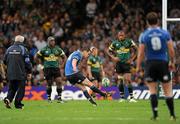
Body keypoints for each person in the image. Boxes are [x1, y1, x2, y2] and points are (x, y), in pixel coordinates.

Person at [136, 12, 176, 120]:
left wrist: (138, 67)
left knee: (152, 90)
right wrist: (172, 62)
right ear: (157, 21)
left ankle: (155, 115)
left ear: (147, 22)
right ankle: (172, 115)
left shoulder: (144, 35)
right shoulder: (164, 33)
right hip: (163, 62)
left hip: (150, 63)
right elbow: (171, 50)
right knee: (168, 91)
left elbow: (140, 53)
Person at [106, 31, 137, 102]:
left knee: (128, 79)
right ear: (118, 36)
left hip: (126, 63)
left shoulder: (129, 41)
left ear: (124, 35)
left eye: (122, 35)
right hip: (119, 64)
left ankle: (131, 97)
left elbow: (136, 49)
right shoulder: (115, 43)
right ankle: (122, 97)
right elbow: (108, 50)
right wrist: (113, 57)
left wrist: (132, 59)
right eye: (119, 35)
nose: (121, 37)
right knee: (120, 80)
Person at [35, 36, 67, 103]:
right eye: (51, 41)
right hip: (47, 68)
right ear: (48, 42)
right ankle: (49, 98)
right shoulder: (44, 49)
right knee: (49, 83)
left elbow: (64, 57)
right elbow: (36, 56)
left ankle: (59, 98)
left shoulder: (57, 49)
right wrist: (39, 64)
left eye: (53, 40)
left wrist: (62, 65)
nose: (53, 42)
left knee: (59, 81)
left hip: (56, 68)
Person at [3, 35, 32, 109]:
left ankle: (8, 99)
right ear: (22, 41)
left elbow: (4, 61)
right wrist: (29, 71)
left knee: (12, 88)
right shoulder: (23, 49)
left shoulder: (9, 49)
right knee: (21, 88)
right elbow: (27, 62)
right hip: (20, 73)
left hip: (10, 73)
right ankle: (18, 104)